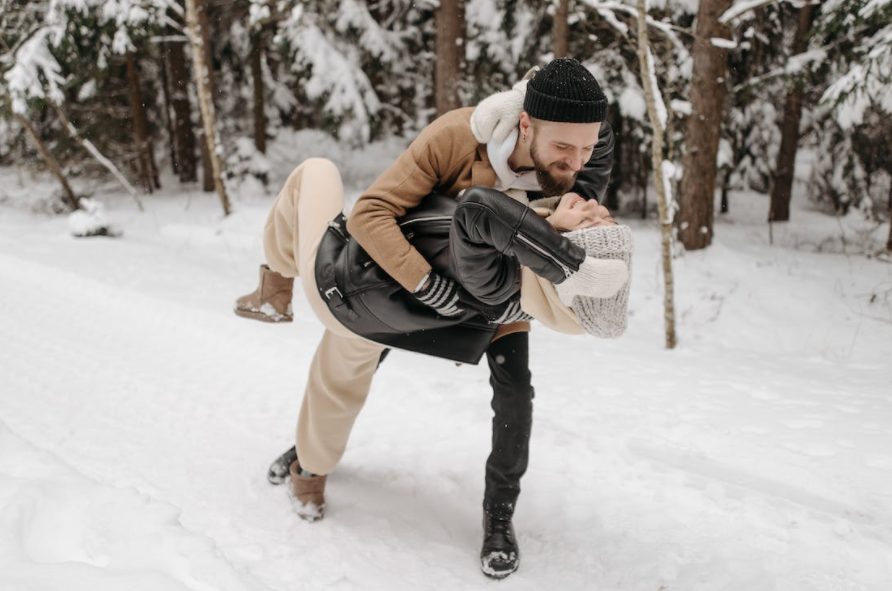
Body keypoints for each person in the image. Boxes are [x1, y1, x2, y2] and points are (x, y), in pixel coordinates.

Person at [235, 58, 624, 579]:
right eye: (563, 148)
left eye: (587, 147)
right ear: (526, 125)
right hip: (399, 279)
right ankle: (307, 450)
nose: (577, 163)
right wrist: (425, 285)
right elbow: (370, 213)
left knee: (516, 393)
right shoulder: (458, 137)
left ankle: (498, 518)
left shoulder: (580, 156)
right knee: (343, 362)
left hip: (497, 298)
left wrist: (575, 227)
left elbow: (570, 243)